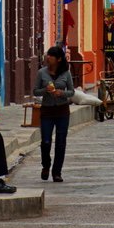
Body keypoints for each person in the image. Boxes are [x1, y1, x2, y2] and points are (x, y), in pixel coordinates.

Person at [33, 46, 74, 182]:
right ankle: (46, 165)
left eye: (51, 56)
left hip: (62, 111)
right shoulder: (41, 73)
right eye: (48, 55)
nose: (48, 57)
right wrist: (46, 90)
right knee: (46, 141)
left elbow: (72, 92)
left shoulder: (66, 73)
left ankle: (57, 172)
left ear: (58, 59)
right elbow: (35, 91)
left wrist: (61, 93)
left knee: (61, 142)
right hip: (47, 110)